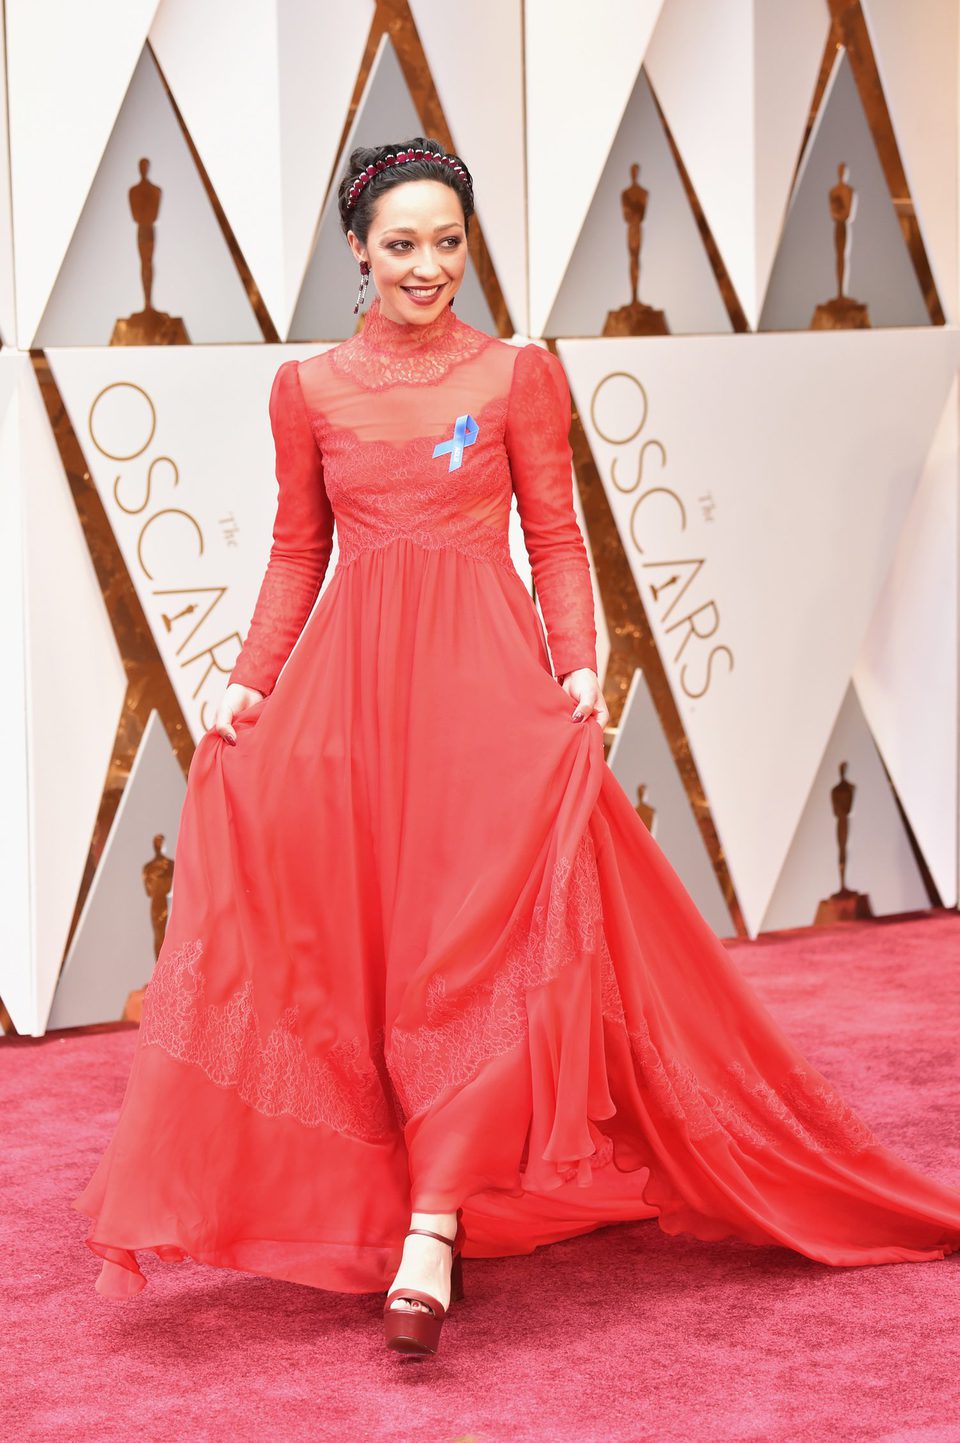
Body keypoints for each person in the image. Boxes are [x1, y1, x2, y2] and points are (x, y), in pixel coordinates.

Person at [72, 137, 960, 1359]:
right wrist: (244, 682)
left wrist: (577, 667)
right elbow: (295, 551)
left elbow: (555, 536)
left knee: (467, 962)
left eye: (448, 241)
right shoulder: (310, 390)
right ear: (357, 251)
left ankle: (430, 1227)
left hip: (487, 703)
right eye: (402, 245)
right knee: (372, 960)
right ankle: (395, 1198)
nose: (428, 265)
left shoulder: (516, 376)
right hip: (349, 707)